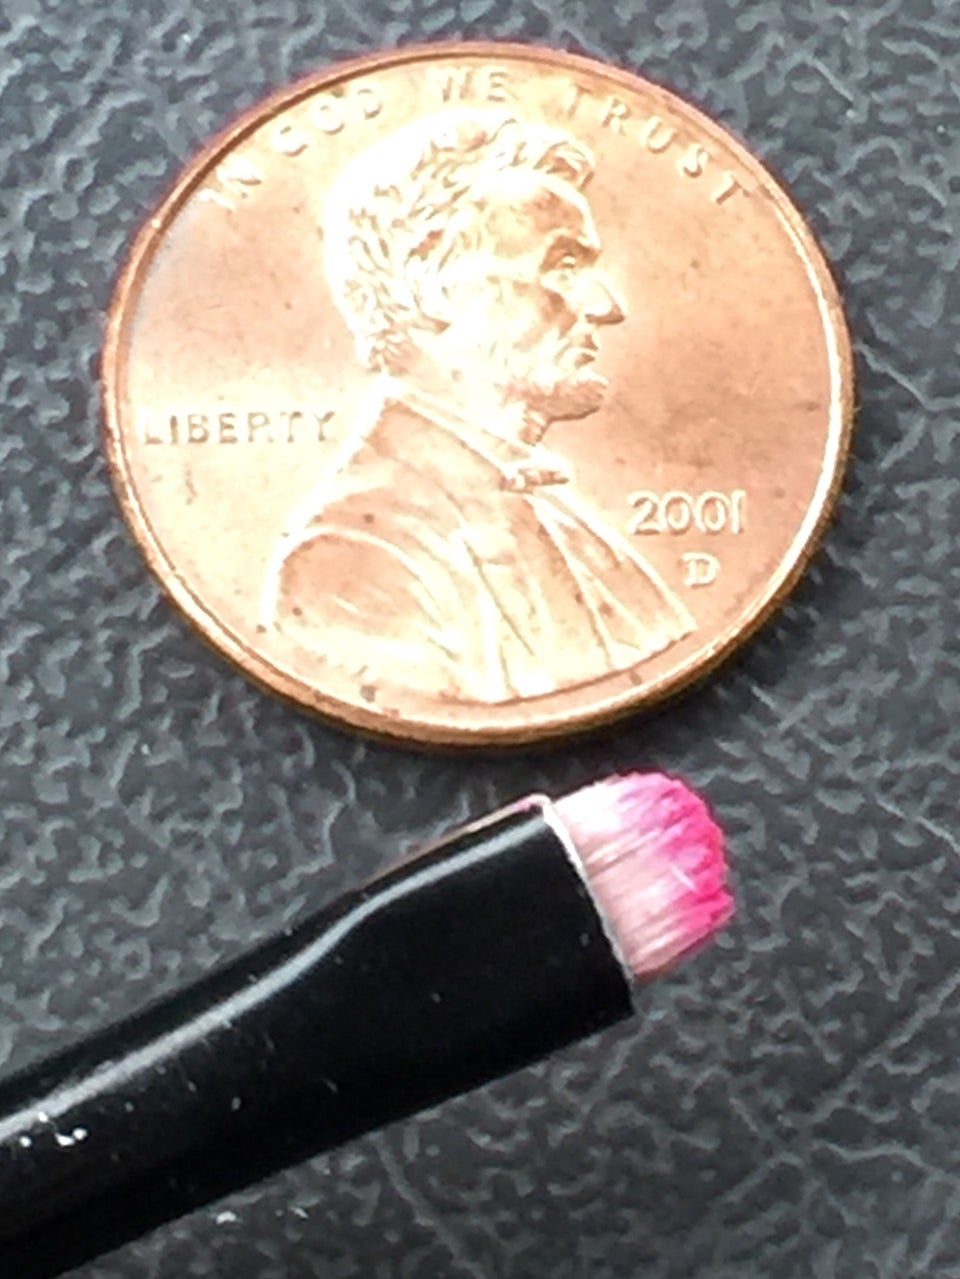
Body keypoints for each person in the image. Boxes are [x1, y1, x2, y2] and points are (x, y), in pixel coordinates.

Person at [261, 109, 693, 702]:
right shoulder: (352, 558)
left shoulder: (571, 527)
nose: (606, 306)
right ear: (429, 284)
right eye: (564, 267)